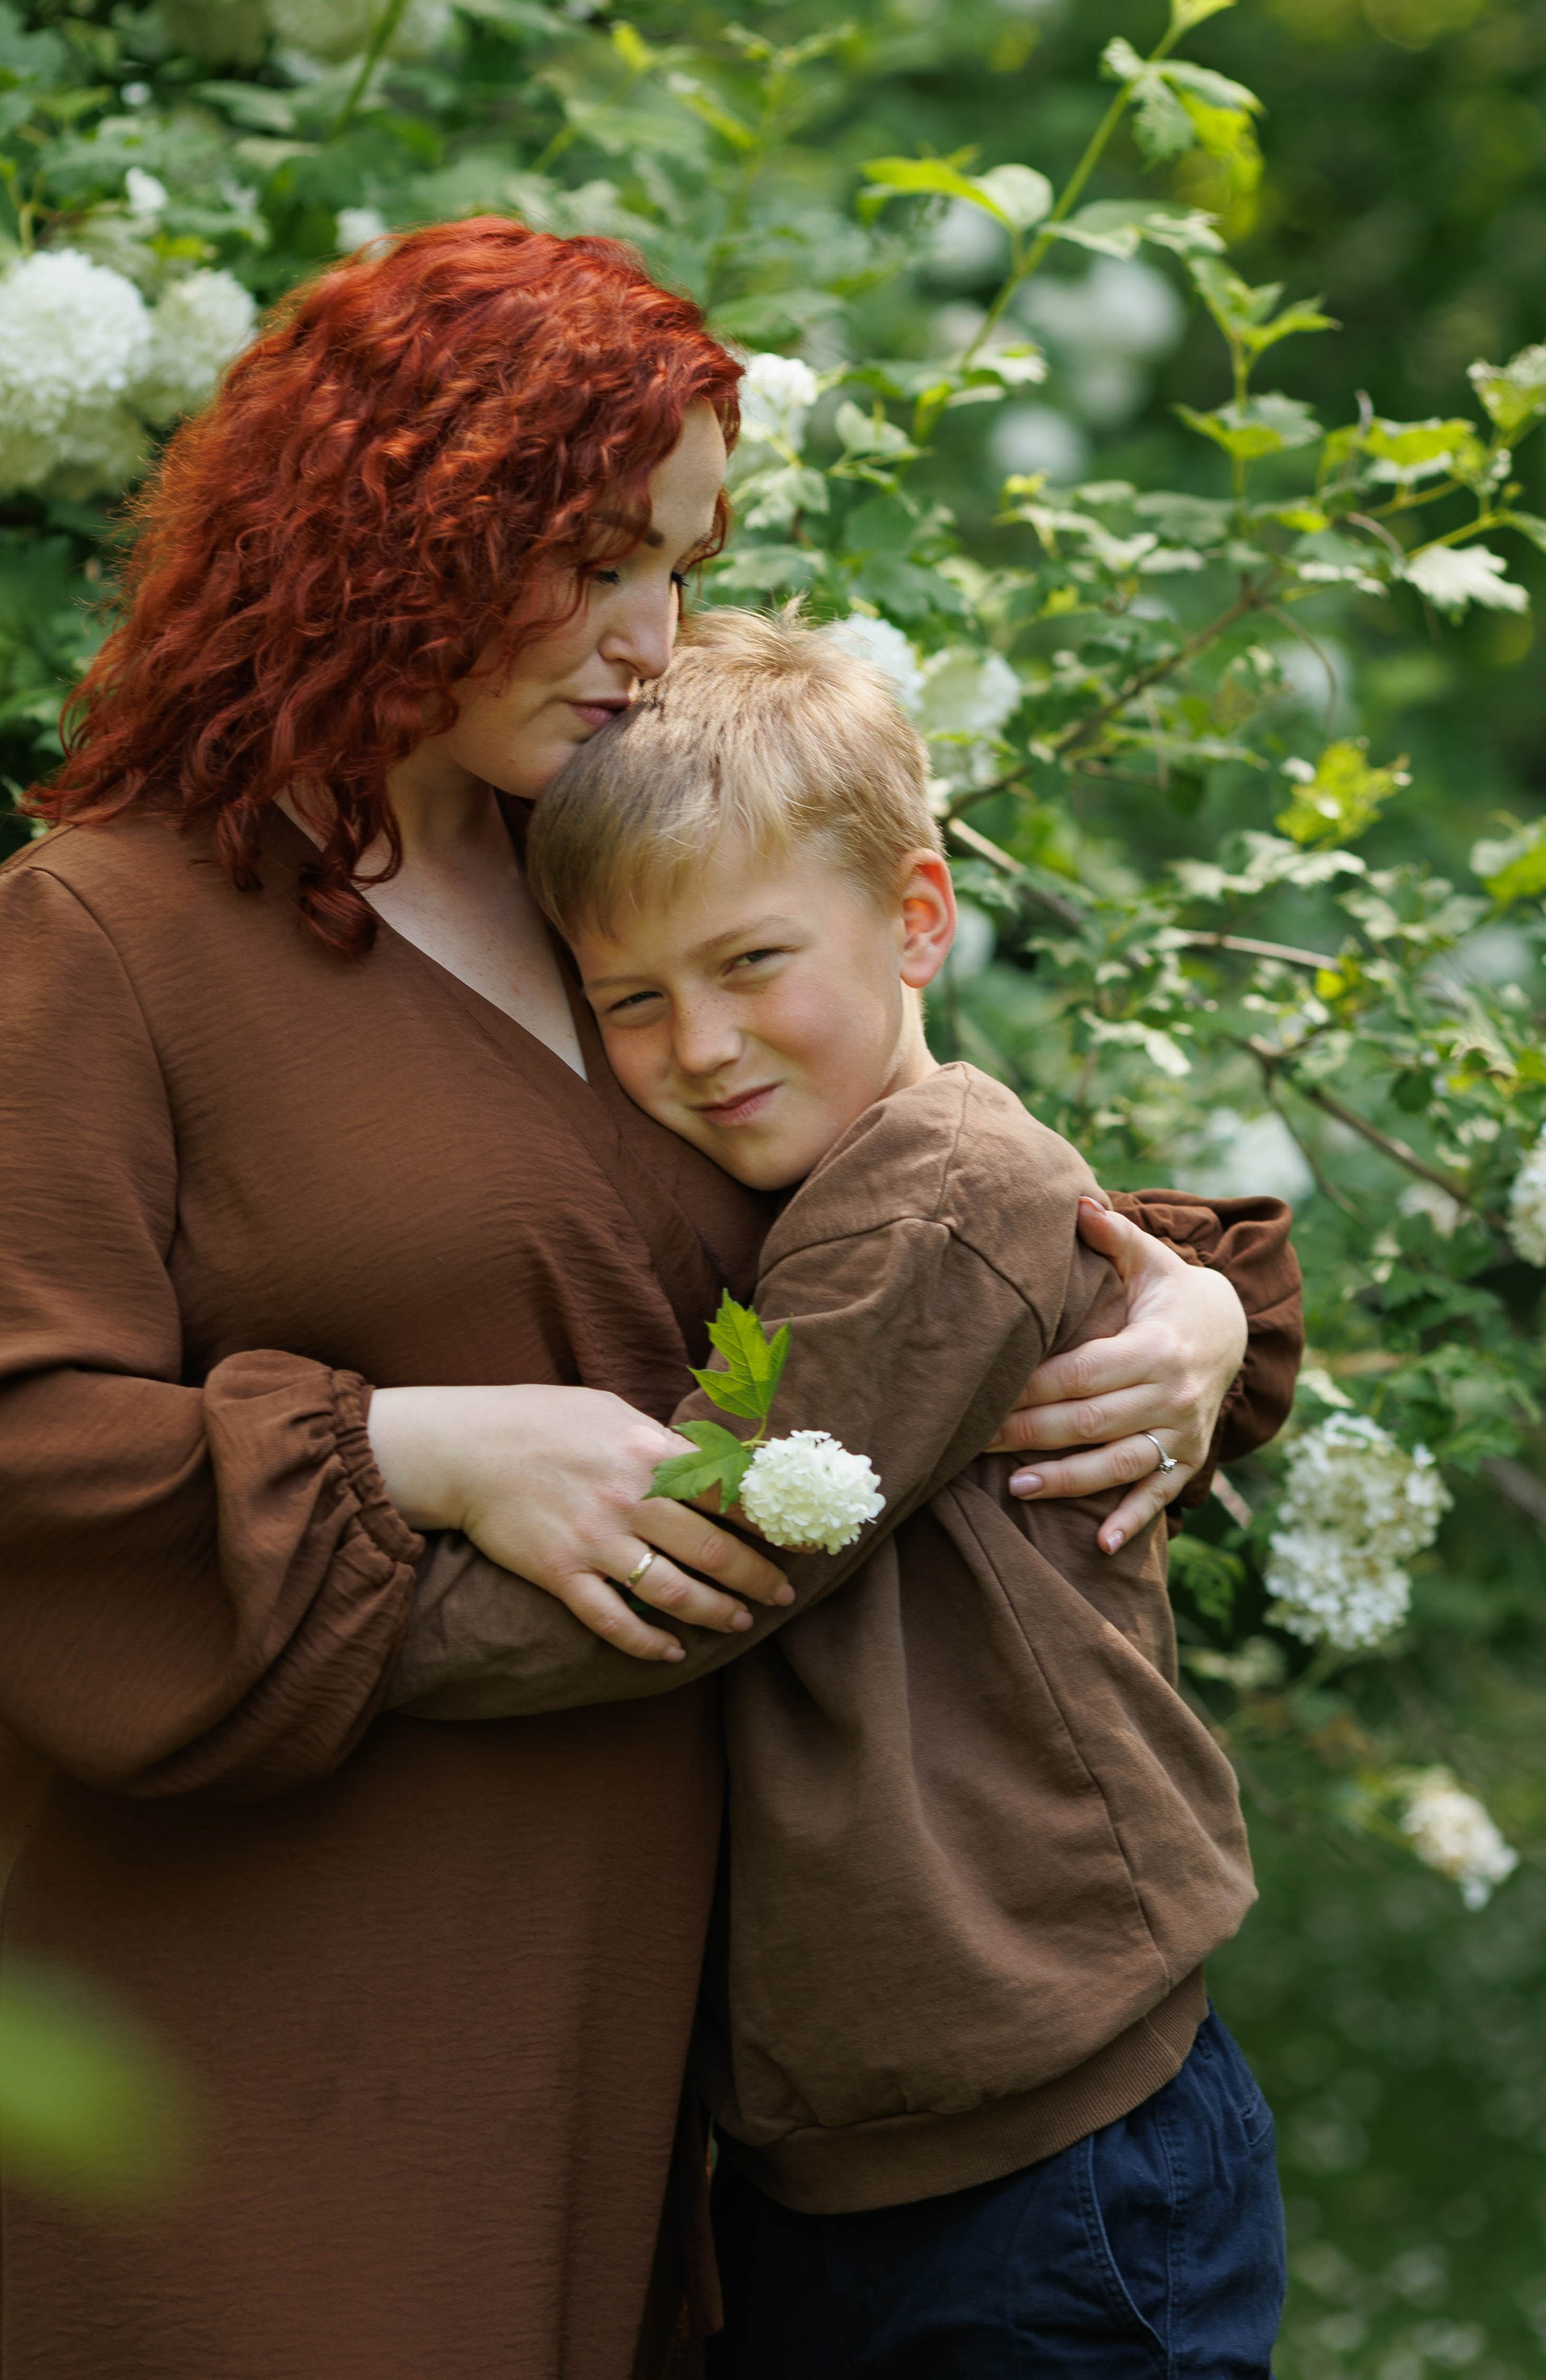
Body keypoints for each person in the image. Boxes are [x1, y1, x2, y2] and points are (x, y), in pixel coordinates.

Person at [0, 218, 1289, 2380]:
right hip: (255, 1959)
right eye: (597, 561)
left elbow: (896, 1214)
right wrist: (416, 1445)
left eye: (685, 568)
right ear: (391, 530)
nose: (652, 635)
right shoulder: (90, 941)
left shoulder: (598, 873)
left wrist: (1182, 1316)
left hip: (646, 2001)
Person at [404, 608, 1298, 2375]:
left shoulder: (929, 1198)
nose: (702, 1044)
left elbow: (705, 1553)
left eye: (748, 963)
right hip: (867, 2159)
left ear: (914, 916)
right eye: (631, 999)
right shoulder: (828, 1176)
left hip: (1052, 2157)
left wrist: (334, 1615)